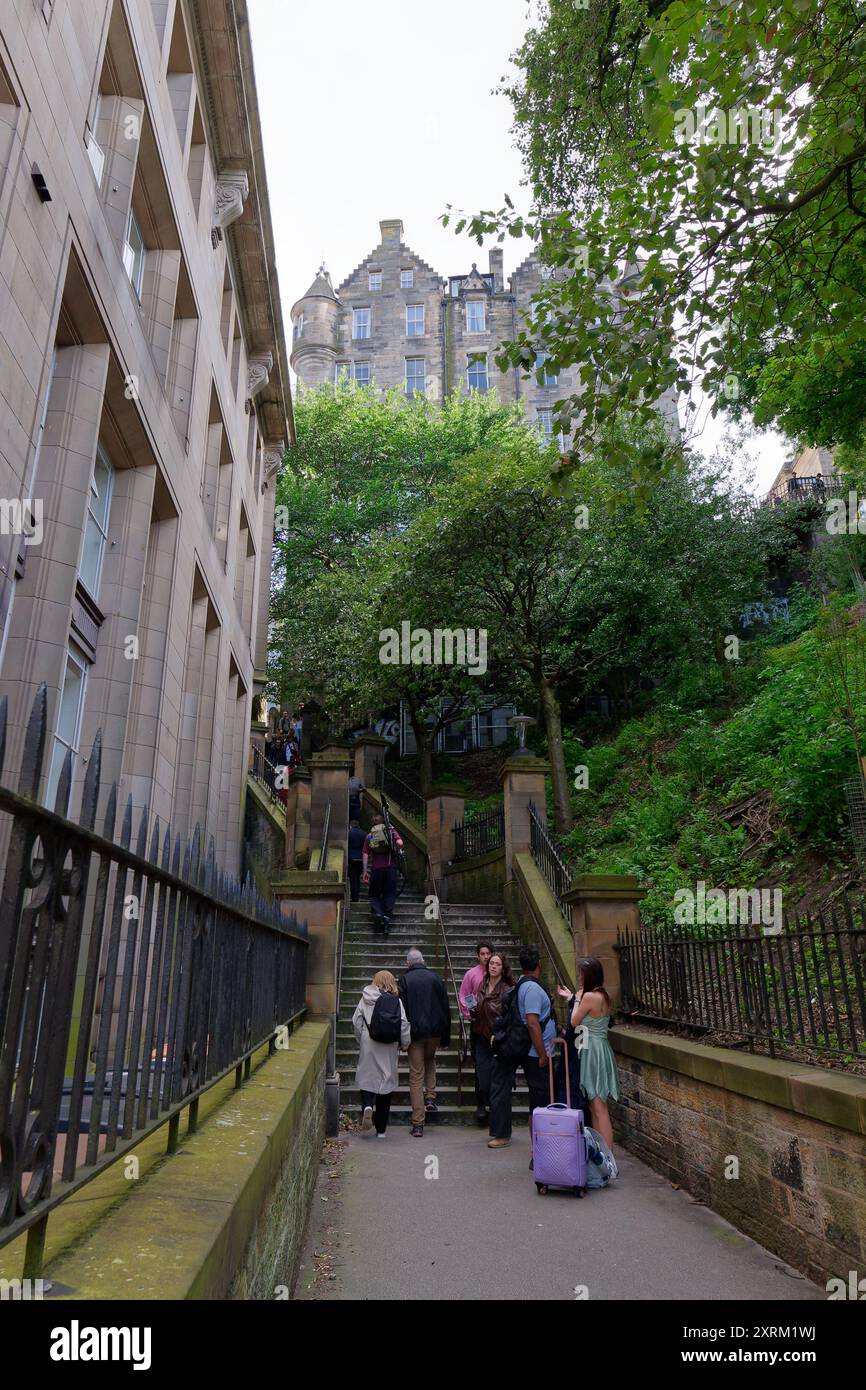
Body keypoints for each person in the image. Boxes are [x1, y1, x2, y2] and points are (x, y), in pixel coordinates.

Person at [488, 946, 558, 1150]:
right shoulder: (533, 989)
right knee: (540, 1094)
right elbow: (533, 1023)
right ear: (539, 965)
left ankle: (514, 1136)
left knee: (531, 1092)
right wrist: (542, 1054)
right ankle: (540, 1144)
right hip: (532, 1049)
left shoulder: (522, 984)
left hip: (519, 1044)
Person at [398, 948, 451, 1138]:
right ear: (423, 961)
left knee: (415, 1075)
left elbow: (401, 1011)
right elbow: (445, 1007)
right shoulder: (436, 978)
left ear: (408, 963)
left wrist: (401, 1038)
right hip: (435, 1032)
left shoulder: (404, 980)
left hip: (415, 1034)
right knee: (430, 1059)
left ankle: (418, 1123)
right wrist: (446, 1037)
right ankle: (430, 1096)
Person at [353, 969, 411, 1138]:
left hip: (369, 1042)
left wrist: (362, 1039)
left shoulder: (365, 998)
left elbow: (356, 1021)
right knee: (386, 1082)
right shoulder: (396, 1001)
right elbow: (404, 1024)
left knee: (367, 1076)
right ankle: (381, 1130)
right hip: (389, 1044)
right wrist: (405, 1043)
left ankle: (367, 1105)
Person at [570, 956, 618, 1148]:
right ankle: (601, 1150)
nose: (580, 977)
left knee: (599, 1106)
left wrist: (576, 999)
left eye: (582, 974)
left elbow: (574, 1021)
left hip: (593, 1051)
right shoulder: (603, 995)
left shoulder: (589, 997)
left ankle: (608, 1155)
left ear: (589, 976)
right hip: (600, 1047)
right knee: (594, 1104)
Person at [469, 952, 514, 1125]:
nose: (493, 966)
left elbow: (509, 1016)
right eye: (491, 963)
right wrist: (475, 1011)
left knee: (498, 1082)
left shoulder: (507, 989)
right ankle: (489, 1108)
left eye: (497, 964)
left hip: (498, 1040)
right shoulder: (483, 984)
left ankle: (498, 1120)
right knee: (483, 1082)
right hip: (481, 1037)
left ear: (503, 968)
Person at [458, 939, 494, 1123]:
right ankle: (481, 1103)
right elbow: (465, 995)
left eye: (488, 953)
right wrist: (471, 1012)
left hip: (495, 1026)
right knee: (480, 1065)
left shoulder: (498, 973)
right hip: (478, 1026)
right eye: (482, 954)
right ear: (478, 956)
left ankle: (493, 1103)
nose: (486, 957)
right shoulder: (472, 974)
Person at [362, 816, 404, 935]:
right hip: (390, 868)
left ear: (373, 824)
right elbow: (400, 843)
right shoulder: (390, 831)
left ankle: (378, 913)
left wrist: (365, 871)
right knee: (390, 893)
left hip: (376, 869)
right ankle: (386, 917)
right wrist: (395, 848)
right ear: (384, 822)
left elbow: (365, 853)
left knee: (374, 894)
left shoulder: (370, 835)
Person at [347, 818, 366, 904]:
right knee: (357, 878)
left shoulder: (349, 833)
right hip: (361, 859)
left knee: (352, 879)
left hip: (351, 858)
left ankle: (354, 898)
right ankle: (356, 896)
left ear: (350, 825)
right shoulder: (364, 833)